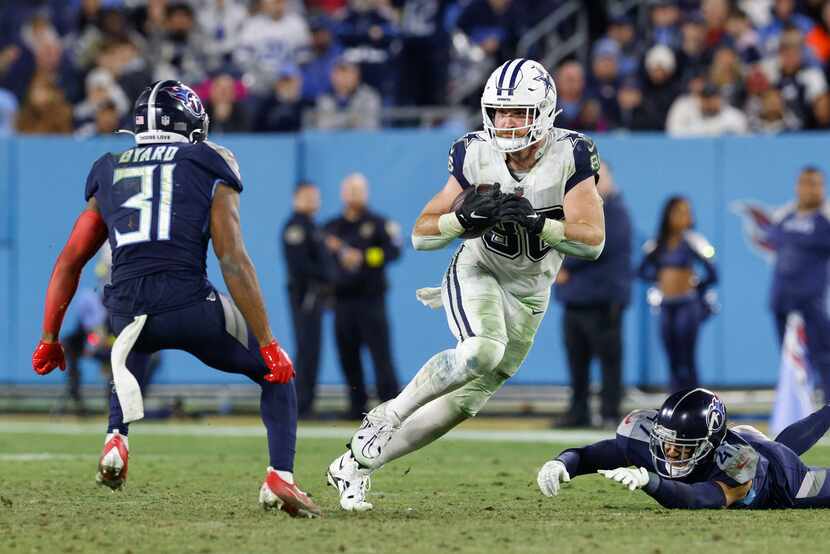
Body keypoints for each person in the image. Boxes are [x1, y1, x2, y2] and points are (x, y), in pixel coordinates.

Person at [30, 80, 320, 518]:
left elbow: (69, 261)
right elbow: (233, 258)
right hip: (190, 304)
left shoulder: (109, 165)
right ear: (189, 124)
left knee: (133, 341)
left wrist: (49, 336)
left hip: (124, 308)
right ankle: (281, 476)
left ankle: (116, 436)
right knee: (275, 375)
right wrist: (267, 340)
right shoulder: (210, 160)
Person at [326, 58, 605, 512]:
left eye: (519, 112)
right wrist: (460, 219)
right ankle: (386, 414)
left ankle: (353, 466)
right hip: (479, 268)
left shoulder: (571, 154)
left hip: (531, 292)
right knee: (482, 350)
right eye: (500, 111)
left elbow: (592, 241)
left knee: (465, 402)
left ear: (546, 112)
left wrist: (540, 225)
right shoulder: (474, 153)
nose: (508, 122)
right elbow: (421, 235)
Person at [536, 387, 830, 509]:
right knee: (776, 445)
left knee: (782, 454)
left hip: (779, 480)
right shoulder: (645, 434)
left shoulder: (738, 461)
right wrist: (561, 463)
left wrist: (650, 480)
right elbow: (590, 455)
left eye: (684, 446)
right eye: (667, 441)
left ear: (711, 443)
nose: (671, 452)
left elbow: (698, 498)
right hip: (744, 442)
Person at [554, 161, 632, 428]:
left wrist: (564, 265)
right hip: (575, 299)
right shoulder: (580, 209)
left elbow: (598, 243)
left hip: (601, 300)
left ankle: (610, 412)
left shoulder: (615, 210)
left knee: (608, 360)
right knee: (577, 360)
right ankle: (579, 410)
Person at [324, 173, 402, 420]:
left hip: (371, 300)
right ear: (342, 193)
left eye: (358, 190)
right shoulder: (331, 227)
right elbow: (320, 257)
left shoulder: (378, 223)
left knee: (380, 355)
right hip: (342, 301)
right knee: (348, 357)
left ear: (366, 193)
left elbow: (394, 251)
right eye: (349, 190)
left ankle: (392, 406)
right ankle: (356, 406)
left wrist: (364, 257)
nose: (353, 195)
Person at [638, 196, 717, 392]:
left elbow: (713, 274)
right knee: (671, 356)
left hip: (687, 306)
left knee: (687, 356)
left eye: (686, 212)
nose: (683, 217)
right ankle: (675, 400)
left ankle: (696, 401)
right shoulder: (657, 244)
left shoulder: (694, 242)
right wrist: (661, 280)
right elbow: (641, 271)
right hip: (666, 305)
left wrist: (695, 287)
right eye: (678, 212)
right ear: (667, 215)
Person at [767, 166, 830, 401]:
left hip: (814, 298)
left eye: (815, 183)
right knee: (789, 357)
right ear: (797, 186)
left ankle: (827, 406)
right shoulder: (784, 215)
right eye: (805, 183)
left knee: (823, 354)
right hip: (782, 297)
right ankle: (795, 405)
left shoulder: (826, 216)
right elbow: (774, 243)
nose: (810, 189)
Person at [281, 181, 330, 417]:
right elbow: (300, 266)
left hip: (316, 294)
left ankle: (306, 402)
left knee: (313, 350)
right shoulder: (296, 227)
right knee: (306, 348)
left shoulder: (313, 227)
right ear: (296, 199)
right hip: (305, 295)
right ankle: (299, 402)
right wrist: (327, 275)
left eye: (316, 196)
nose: (313, 201)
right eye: (308, 196)